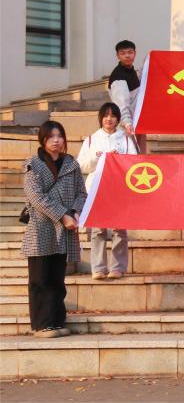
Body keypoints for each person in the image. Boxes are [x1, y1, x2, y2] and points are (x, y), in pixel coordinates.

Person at [22, 121, 86, 338]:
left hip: (65, 229)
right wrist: (62, 215)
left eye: (59, 136)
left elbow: (81, 193)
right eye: (51, 137)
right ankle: (42, 324)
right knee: (40, 278)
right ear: (43, 139)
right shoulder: (33, 165)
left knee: (57, 278)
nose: (56, 140)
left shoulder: (71, 164)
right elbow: (36, 197)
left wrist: (75, 212)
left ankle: (57, 321)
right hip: (41, 228)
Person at [77, 103, 138, 280]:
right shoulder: (91, 139)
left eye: (112, 116)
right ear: (100, 118)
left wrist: (118, 159)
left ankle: (118, 267)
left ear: (118, 119)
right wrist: (100, 158)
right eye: (105, 115)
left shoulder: (125, 139)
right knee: (98, 229)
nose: (109, 119)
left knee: (119, 229)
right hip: (97, 188)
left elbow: (134, 162)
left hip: (119, 188)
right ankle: (98, 268)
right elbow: (81, 165)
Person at [108, 40, 146, 153]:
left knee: (138, 156)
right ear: (118, 56)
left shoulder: (130, 71)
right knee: (129, 156)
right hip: (126, 127)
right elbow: (121, 104)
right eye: (123, 53)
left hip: (135, 121)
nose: (127, 56)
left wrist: (147, 62)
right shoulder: (118, 77)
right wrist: (127, 123)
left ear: (135, 53)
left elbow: (139, 79)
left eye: (130, 52)